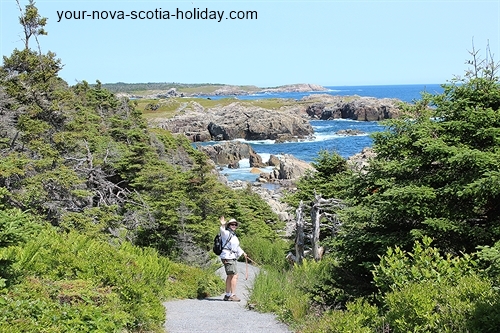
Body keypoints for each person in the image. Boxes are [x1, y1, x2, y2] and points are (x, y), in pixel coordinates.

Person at [219, 216, 247, 302]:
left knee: (230, 276)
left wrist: (243, 253)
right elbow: (222, 231)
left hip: (231, 257)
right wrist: (222, 225)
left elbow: (236, 247)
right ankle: (232, 295)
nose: (234, 226)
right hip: (228, 257)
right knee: (234, 275)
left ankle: (228, 295)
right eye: (232, 224)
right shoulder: (226, 233)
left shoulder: (233, 235)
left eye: (235, 224)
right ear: (229, 225)